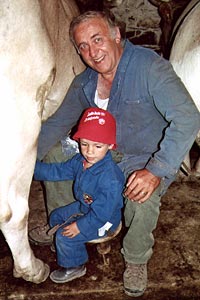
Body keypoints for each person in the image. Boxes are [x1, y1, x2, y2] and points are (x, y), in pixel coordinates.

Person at [29, 10, 200, 297]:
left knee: (141, 196)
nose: (91, 52)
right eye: (82, 46)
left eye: (97, 39)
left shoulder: (149, 67)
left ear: (116, 35)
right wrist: (22, 161)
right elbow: (57, 124)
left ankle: (135, 258)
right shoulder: (85, 82)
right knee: (55, 154)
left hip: (142, 159)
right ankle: (66, 222)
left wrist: (156, 170)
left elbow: (188, 118)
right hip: (100, 156)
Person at [34, 107, 125, 283]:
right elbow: (57, 171)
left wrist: (79, 227)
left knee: (64, 236)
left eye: (98, 146)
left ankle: (75, 266)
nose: (90, 151)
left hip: (105, 220)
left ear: (110, 145)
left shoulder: (110, 179)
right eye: (84, 144)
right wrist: (30, 168)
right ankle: (65, 246)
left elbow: (102, 214)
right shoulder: (81, 161)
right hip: (85, 207)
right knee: (57, 215)